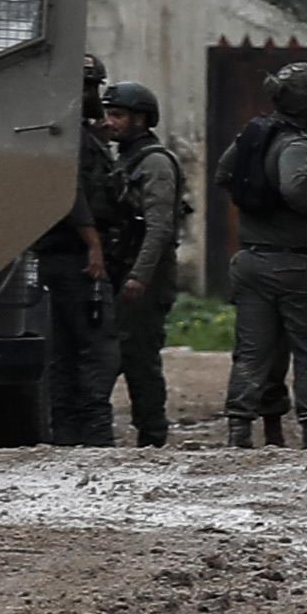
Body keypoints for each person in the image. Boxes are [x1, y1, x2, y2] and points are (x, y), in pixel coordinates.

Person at [219, 60, 307, 446]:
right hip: (301, 264)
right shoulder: (299, 144)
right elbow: (295, 186)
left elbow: (223, 173)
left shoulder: (254, 134)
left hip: (252, 260)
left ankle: (239, 430)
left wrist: (259, 203)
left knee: (251, 351)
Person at [29, 58, 115, 449]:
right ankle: (95, 439)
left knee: (64, 353)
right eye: (92, 87)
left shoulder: (64, 134)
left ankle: (66, 437)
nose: (97, 96)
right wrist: (94, 243)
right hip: (78, 258)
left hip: (58, 257)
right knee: (93, 351)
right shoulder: (71, 141)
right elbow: (73, 193)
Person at [93, 80, 182, 447]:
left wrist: (138, 278)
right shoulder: (123, 158)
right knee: (114, 351)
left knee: (140, 358)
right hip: (122, 269)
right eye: (108, 114)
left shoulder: (155, 163)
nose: (110, 122)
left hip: (145, 275)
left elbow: (159, 228)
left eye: (118, 115)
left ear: (141, 120)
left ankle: (152, 434)